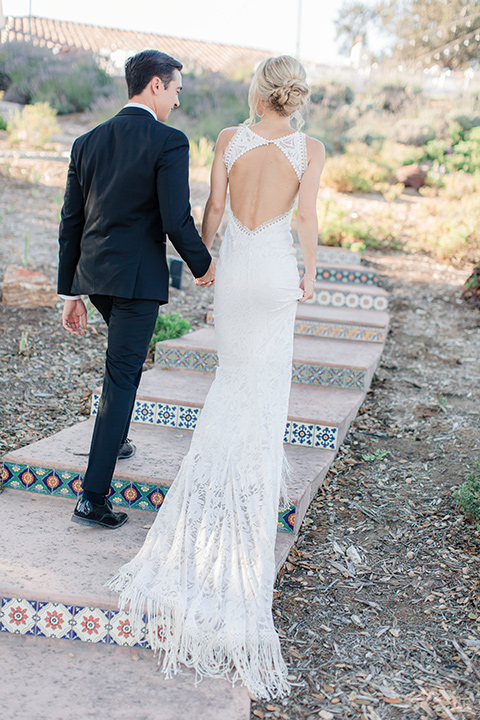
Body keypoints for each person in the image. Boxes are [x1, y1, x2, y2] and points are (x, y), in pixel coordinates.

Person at [108, 55, 325, 699]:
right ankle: (252, 481)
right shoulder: (310, 147)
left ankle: (220, 474)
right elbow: (307, 218)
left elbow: (213, 212)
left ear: (259, 92)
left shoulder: (228, 139)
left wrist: (204, 266)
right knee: (266, 386)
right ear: (297, 96)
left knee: (233, 379)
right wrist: (310, 273)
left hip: (235, 270)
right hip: (278, 273)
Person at [57, 49, 215, 530]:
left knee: (123, 364)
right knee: (123, 377)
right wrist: (204, 266)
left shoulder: (87, 141)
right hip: (137, 283)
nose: (178, 103)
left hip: (96, 277)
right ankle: (93, 497)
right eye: (176, 92)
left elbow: (71, 222)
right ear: (155, 86)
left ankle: (115, 436)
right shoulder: (169, 141)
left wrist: (70, 292)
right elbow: (176, 218)